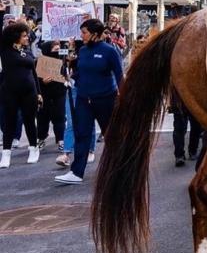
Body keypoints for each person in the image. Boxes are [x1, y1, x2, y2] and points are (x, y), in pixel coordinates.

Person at [55, 19, 123, 185]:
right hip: (84, 99)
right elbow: (80, 72)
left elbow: (120, 76)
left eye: (84, 32)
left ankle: (119, 171)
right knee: (82, 135)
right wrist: (70, 78)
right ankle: (76, 172)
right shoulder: (83, 50)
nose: (81, 35)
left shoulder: (109, 51)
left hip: (106, 99)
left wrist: (125, 98)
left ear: (95, 34)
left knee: (111, 136)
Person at [0, 22, 41, 167]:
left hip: (29, 92)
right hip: (10, 92)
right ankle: (6, 154)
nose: (27, 38)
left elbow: (34, 73)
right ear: (15, 37)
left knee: (30, 121)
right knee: (9, 122)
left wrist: (39, 92)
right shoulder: (5, 50)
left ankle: (33, 149)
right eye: (24, 36)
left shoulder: (28, 51)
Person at [36, 40, 67, 150]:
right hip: (44, 94)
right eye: (54, 48)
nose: (57, 49)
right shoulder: (38, 62)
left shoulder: (63, 59)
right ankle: (41, 138)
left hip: (59, 93)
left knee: (59, 116)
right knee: (42, 117)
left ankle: (60, 140)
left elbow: (65, 75)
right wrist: (42, 81)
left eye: (58, 47)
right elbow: (35, 79)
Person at [169, 88, 203, 167]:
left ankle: (180, 155)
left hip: (180, 97)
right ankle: (191, 151)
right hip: (191, 97)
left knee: (180, 127)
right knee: (194, 126)